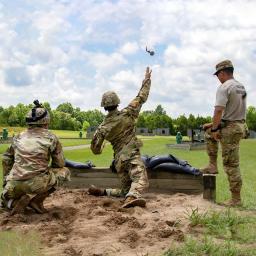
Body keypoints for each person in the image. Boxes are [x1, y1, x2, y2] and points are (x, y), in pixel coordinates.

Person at [89, 67, 152, 208]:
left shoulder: (102, 128)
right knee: (141, 179)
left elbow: (95, 150)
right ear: (117, 102)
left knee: (125, 190)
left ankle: (103, 191)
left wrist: (103, 145)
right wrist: (147, 80)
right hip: (131, 156)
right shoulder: (128, 113)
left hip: (118, 161)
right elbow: (141, 97)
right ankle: (131, 198)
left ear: (104, 106)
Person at [0, 100, 70, 215]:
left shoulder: (18, 137)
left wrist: (6, 180)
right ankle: (37, 201)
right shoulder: (51, 137)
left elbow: (6, 159)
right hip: (37, 184)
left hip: (14, 184)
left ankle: (14, 203)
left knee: (4, 199)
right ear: (46, 121)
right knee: (64, 171)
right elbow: (59, 164)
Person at [202, 60, 248, 206]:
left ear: (222, 73)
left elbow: (219, 110)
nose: (217, 78)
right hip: (239, 124)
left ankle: (236, 199)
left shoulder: (224, 87)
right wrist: (211, 127)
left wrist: (216, 129)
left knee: (231, 163)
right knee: (208, 132)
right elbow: (233, 111)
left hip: (231, 128)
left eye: (218, 75)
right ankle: (212, 165)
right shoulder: (240, 86)